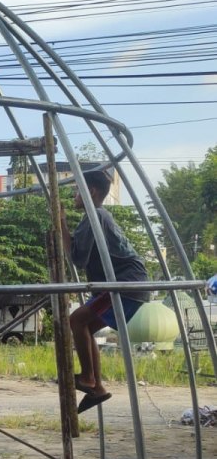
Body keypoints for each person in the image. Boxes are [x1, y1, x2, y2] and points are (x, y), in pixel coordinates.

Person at [60, 168, 148, 414]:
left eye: (78, 191)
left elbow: (76, 258)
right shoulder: (97, 216)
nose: (75, 196)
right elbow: (78, 253)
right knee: (84, 326)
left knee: (76, 320)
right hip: (127, 283)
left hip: (125, 283)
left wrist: (61, 223)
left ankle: (88, 378)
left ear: (91, 191)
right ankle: (97, 387)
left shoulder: (95, 215)